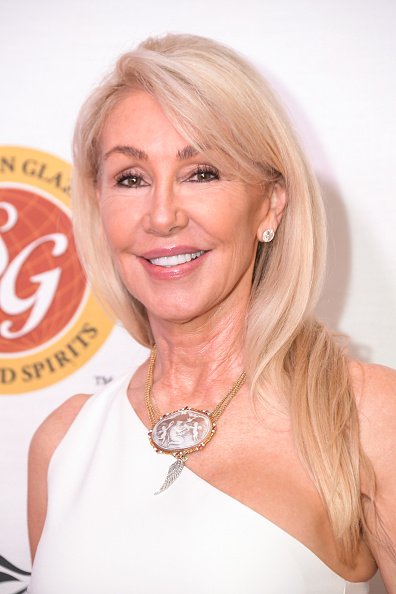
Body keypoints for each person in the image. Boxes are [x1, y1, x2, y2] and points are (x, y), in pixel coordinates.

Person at [27, 34, 396, 593]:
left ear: (270, 203)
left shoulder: (366, 416)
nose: (162, 215)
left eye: (202, 172)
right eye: (131, 178)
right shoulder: (62, 441)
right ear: (98, 204)